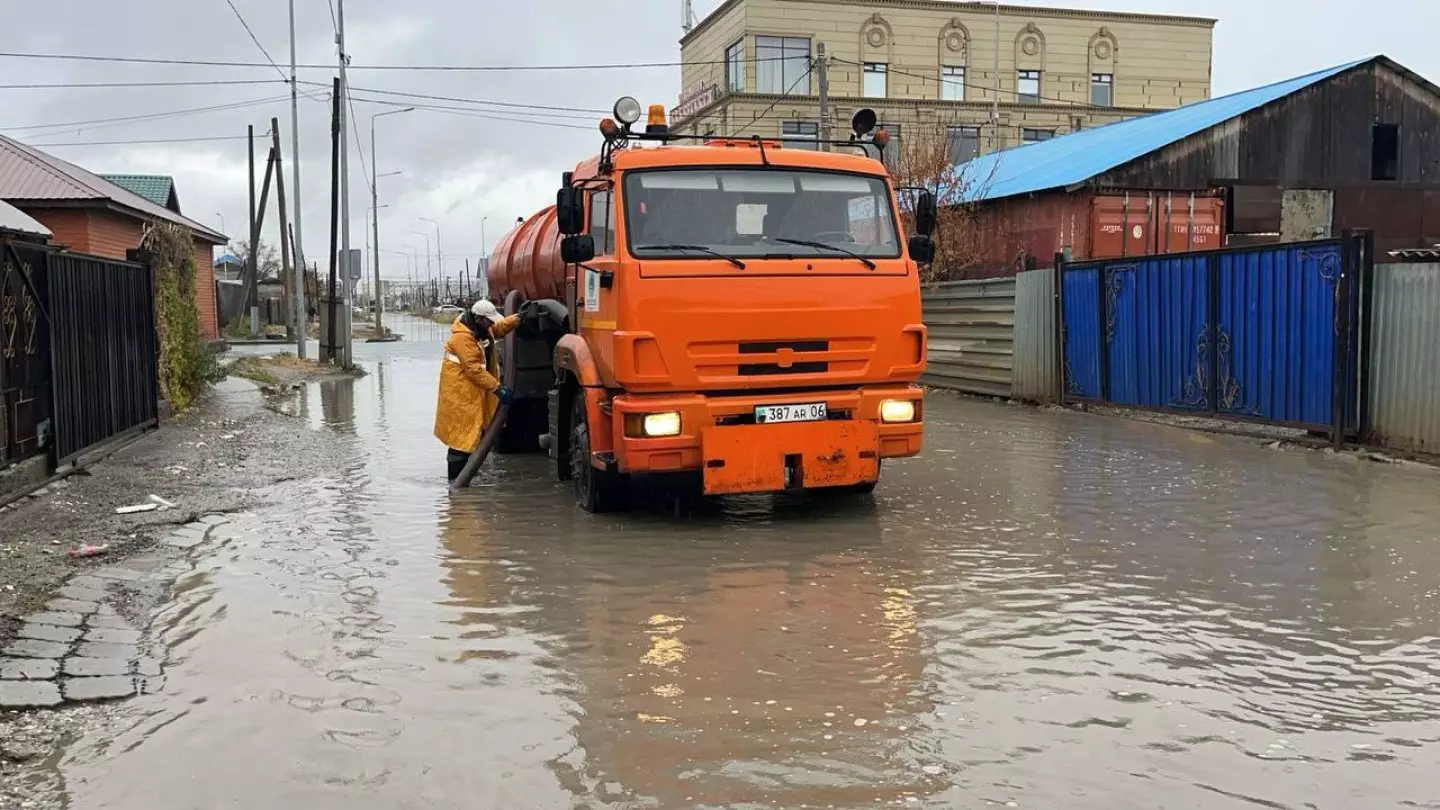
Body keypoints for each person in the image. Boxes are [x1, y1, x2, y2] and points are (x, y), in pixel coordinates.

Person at [434, 299, 521, 481]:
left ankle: (463, 482)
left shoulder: (479, 328)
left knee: (469, 434)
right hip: (459, 392)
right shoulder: (462, 337)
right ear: (479, 318)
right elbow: (473, 369)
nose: (491, 324)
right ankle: (456, 482)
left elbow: (497, 330)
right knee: (460, 437)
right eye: (488, 320)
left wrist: (518, 318)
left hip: (470, 389)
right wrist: (498, 389)